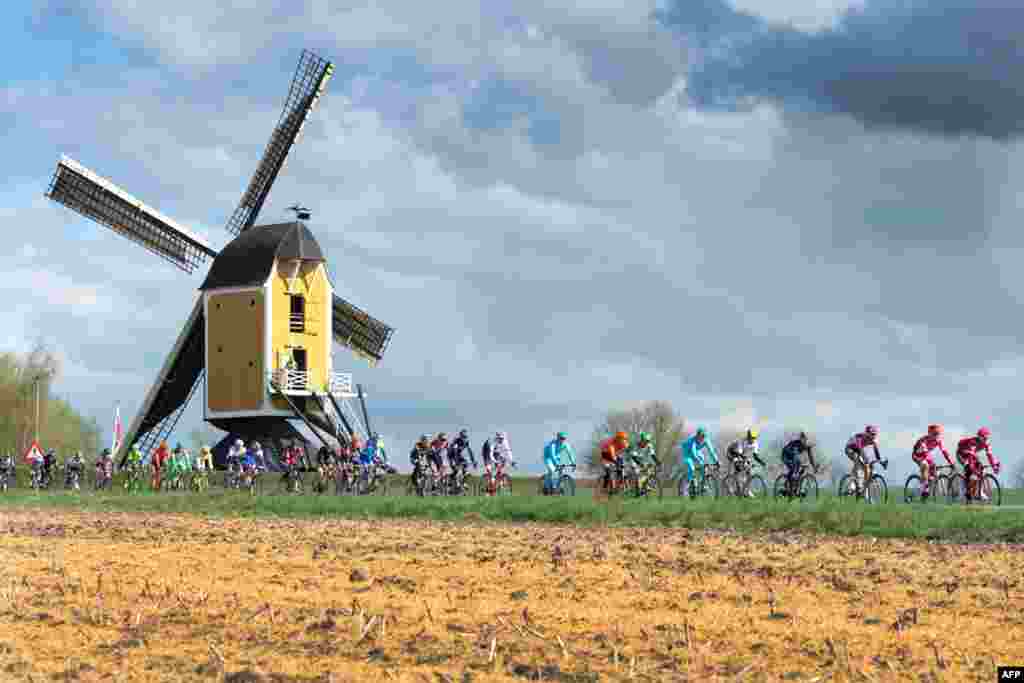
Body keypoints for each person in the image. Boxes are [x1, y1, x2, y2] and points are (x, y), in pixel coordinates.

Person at [956, 427, 1000, 502]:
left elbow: (990, 456)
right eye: (984, 438)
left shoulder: (987, 443)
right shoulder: (973, 442)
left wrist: (994, 466)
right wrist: (972, 468)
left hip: (972, 454)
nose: (986, 439)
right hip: (962, 454)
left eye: (987, 438)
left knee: (980, 468)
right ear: (979, 437)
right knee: (969, 469)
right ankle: (963, 492)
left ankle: (979, 492)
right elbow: (970, 457)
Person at [912, 424, 954, 500]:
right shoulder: (923, 441)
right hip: (917, 455)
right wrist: (932, 463)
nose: (936, 436)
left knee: (932, 473)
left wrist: (951, 463)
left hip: (926, 455)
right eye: (935, 434)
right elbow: (925, 454)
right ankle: (925, 487)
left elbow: (944, 452)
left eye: (938, 434)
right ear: (929, 434)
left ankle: (925, 487)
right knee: (925, 465)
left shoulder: (938, 441)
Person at [676, 427, 718, 495]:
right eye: (701, 436)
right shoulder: (692, 441)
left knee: (703, 466)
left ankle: (703, 483)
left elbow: (711, 451)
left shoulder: (706, 440)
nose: (702, 438)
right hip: (687, 452)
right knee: (691, 467)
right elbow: (694, 453)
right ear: (697, 435)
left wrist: (716, 461)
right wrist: (698, 461)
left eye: (704, 436)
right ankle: (689, 483)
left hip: (697, 451)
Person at [845, 425, 884, 498]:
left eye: (875, 434)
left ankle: (860, 486)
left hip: (858, 450)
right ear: (867, 433)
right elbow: (860, 449)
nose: (873, 436)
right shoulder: (860, 438)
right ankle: (853, 486)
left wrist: (880, 460)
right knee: (858, 463)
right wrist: (865, 459)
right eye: (872, 434)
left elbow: (876, 451)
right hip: (850, 448)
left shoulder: (873, 440)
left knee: (865, 466)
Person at [781, 431, 818, 496]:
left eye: (806, 441)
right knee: (794, 468)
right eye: (804, 440)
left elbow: (811, 458)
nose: (805, 443)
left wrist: (814, 467)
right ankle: (787, 487)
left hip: (793, 456)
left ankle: (796, 488)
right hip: (786, 455)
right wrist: (800, 464)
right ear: (801, 439)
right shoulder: (796, 444)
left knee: (799, 469)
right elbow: (795, 456)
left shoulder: (807, 447)